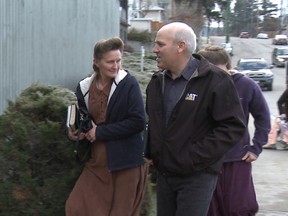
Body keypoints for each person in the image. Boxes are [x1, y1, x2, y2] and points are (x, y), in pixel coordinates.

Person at [145, 22, 246, 216]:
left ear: (180, 46)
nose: (154, 49)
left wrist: (193, 156)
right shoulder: (157, 82)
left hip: (197, 175)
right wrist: (151, 152)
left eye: (160, 44)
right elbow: (154, 122)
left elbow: (232, 128)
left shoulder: (216, 80)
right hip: (165, 174)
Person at [65, 37, 148, 216]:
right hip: (98, 160)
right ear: (96, 62)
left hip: (126, 162)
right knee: (76, 207)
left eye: (118, 61)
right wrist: (79, 132)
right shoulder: (84, 88)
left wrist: (101, 132)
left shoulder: (128, 84)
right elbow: (87, 120)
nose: (115, 66)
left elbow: (138, 121)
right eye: (110, 61)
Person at [197, 45, 271, 215]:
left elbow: (263, 117)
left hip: (238, 159)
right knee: (210, 210)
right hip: (205, 159)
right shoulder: (199, 84)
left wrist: (256, 147)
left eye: (219, 71)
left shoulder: (246, 84)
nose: (214, 76)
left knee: (239, 208)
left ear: (227, 66)